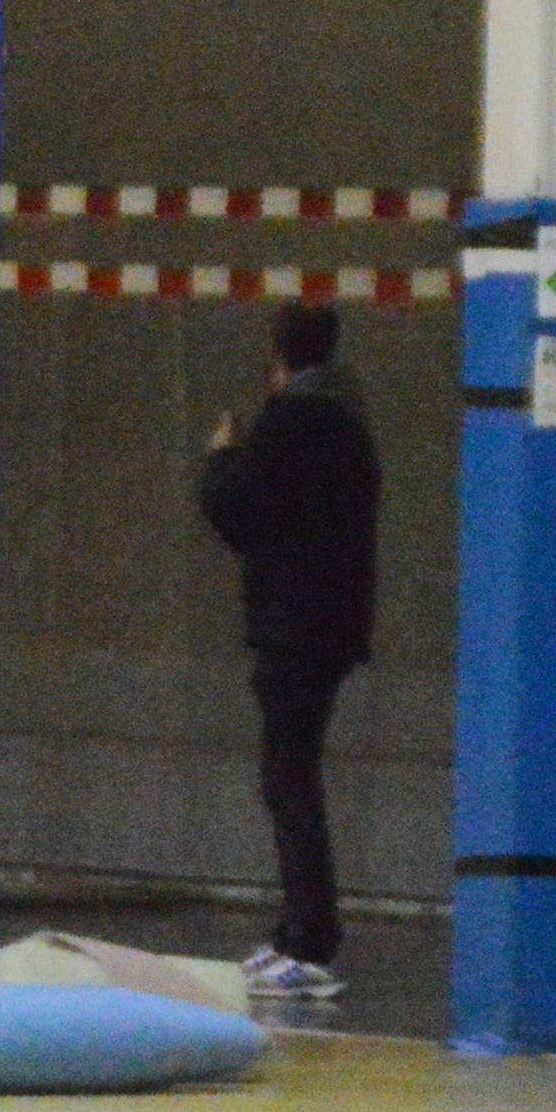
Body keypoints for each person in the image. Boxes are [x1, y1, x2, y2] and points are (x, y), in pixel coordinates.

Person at [195, 305, 378, 1000]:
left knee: (288, 781)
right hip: (330, 625)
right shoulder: (349, 420)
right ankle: (299, 933)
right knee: (293, 777)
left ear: (275, 351)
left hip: (294, 626)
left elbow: (239, 511)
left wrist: (220, 457)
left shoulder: (289, 421)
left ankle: (307, 939)